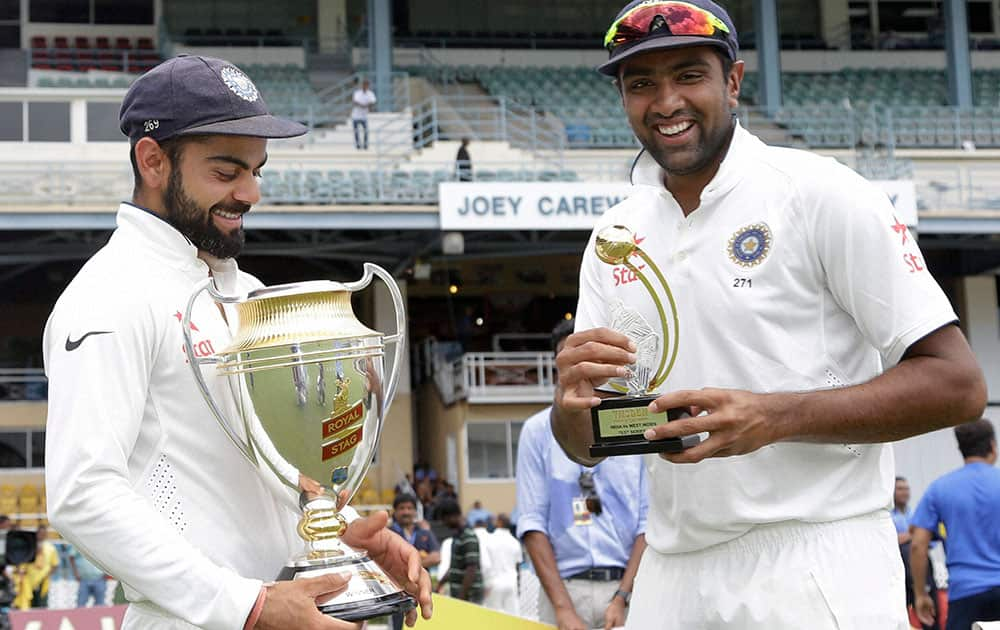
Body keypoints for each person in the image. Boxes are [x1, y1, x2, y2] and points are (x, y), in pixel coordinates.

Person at [552, 1, 987, 628]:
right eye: (640, 83)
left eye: (688, 75)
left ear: (733, 81)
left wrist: (774, 416)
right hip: (672, 567)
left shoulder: (820, 193)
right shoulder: (616, 234)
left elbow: (959, 386)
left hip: (816, 554)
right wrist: (572, 407)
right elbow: (587, 443)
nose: (666, 100)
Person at [42, 55, 431, 630]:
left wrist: (339, 546)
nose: (251, 193)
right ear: (152, 161)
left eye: (257, 170)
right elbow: (82, 494)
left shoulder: (245, 291)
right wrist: (248, 606)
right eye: (226, 173)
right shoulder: (107, 294)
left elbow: (248, 485)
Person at [519, 318, 648, 630]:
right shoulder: (536, 431)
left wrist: (623, 596)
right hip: (563, 590)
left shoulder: (633, 425)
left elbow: (647, 522)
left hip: (625, 589)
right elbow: (532, 523)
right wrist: (563, 609)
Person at [911, 418, 1000, 630]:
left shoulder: (939, 489)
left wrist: (921, 594)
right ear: (993, 446)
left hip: (965, 593)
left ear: (961, 449)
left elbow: (917, 545)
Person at [436, 499, 483, 604]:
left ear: (453, 516)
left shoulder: (468, 537)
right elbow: (455, 567)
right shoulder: (457, 537)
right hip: (461, 595)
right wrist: (441, 583)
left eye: (444, 519)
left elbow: (471, 569)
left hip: (470, 597)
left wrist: (461, 598)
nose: (444, 523)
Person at [389, 493, 441, 570]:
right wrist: (423, 561)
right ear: (395, 511)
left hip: (421, 580)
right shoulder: (389, 533)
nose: (406, 512)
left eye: (409, 508)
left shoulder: (424, 531)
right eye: (401, 508)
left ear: (415, 511)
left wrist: (410, 567)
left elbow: (436, 557)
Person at [486, 513, 523, 617]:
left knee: (493, 618)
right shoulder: (515, 542)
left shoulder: (489, 539)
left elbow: (486, 564)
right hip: (511, 583)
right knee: (512, 618)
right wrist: (518, 586)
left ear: (499, 522)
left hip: (494, 583)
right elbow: (518, 567)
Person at [19, 525, 58, 609]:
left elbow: (54, 564)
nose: (41, 535)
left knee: (42, 605)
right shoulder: (30, 547)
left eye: (44, 533)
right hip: (29, 581)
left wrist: (47, 575)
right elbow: (23, 563)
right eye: (40, 533)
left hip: (43, 581)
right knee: (29, 604)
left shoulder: (51, 548)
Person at [351, 79, 376, 150]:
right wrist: (364, 105)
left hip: (364, 116)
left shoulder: (370, 93)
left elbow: (373, 102)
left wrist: (365, 105)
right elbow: (355, 102)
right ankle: (358, 145)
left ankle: (365, 145)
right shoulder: (357, 93)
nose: (365, 86)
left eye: (366, 85)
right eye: (364, 85)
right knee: (356, 132)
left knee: (365, 131)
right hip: (356, 115)